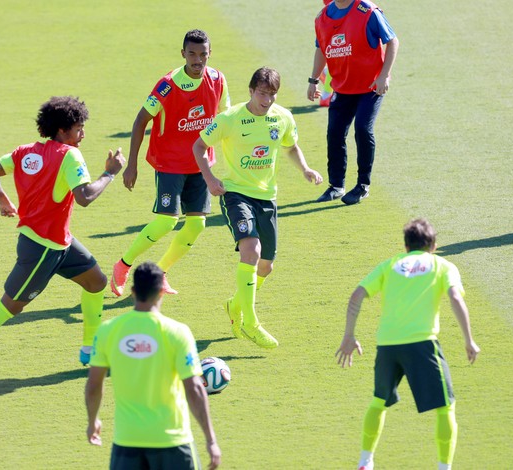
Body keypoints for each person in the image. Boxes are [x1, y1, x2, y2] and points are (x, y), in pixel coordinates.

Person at [0, 96, 126, 376]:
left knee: (96, 282)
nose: (83, 134)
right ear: (62, 129)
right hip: (42, 249)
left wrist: (2, 199)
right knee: (10, 307)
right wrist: (109, 173)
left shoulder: (24, 152)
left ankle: (91, 349)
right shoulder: (69, 155)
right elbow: (83, 197)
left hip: (59, 241)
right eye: (79, 128)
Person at [192, 67, 323, 349]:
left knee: (266, 266)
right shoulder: (230, 119)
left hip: (268, 197)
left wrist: (305, 169)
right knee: (252, 250)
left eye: (272, 94)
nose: (267, 100)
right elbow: (199, 146)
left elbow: (290, 146)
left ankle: (235, 304)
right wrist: (210, 179)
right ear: (251, 91)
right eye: (262, 93)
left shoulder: (283, 117)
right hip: (236, 193)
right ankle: (250, 322)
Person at [335, 218, 480, 470]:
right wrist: (468, 339)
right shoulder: (442, 265)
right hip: (422, 345)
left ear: (406, 245)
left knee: (379, 401)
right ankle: (444, 468)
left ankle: (365, 462)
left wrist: (349, 335)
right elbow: (455, 297)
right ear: (433, 245)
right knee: (446, 407)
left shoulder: (391, 264)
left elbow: (357, 295)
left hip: (388, 346)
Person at [111, 29, 230, 297]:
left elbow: (225, 119)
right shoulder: (168, 85)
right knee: (166, 222)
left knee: (197, 224)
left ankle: (160, 273)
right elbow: (140, 120)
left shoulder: (218, 79)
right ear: (183, 54)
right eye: (192, 54)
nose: (198, 60)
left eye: (203, 54)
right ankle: (123, 265)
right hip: (170, 163)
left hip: (200, 164)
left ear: (210, 54)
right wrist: (132, 165)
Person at [85, 262, 221, 470]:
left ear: (132, 292)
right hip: (172, 441)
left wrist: (93, 421)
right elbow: (194, 388)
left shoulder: (107, 331)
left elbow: (94, 386)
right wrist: (210, 439)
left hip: (127, 442)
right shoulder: (177, 333)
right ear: (161, 292)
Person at [307, 0, 399, 205]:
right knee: (335, 133)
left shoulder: (367, 11)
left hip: (371, 86)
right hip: (343, 87)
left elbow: (392, 41)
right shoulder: (322, 17)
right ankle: (336, 185)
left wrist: (384, 76)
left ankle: (363, 185)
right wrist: (313, 80)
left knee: (363, 129)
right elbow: (321, 49)